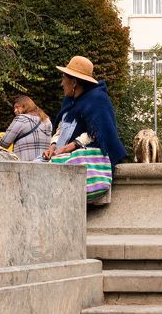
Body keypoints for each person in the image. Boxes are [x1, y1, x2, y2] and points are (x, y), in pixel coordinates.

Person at [43, 56, 127, 204]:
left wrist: (70, 147)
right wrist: (53, 146)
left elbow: (98, 131)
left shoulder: (97, 99)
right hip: (62, 155)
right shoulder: (69, 100)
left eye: (64, 79)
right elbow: (61, 128)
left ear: (74, 82)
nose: (61, 83)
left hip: (82, 157)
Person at [0, 95, 52, 160]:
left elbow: (3, 144)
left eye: (17, 107)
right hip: (44, 163)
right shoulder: (46, 120)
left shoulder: (21, 119)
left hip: (25, 165)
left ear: (25, 106)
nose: (15, 111)